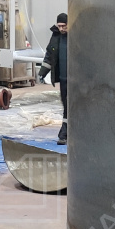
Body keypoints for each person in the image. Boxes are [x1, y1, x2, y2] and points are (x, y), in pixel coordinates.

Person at [41, 13, 68, 145]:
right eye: (59, 26)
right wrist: (42, 72)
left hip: (76, 81)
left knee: (70, 106)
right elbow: (50, 55)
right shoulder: (56, 37)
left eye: (64, 26)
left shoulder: (77, 37)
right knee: (66, 104)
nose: (61, 29)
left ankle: (64, 134)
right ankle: (65, 133)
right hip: (63, 79)